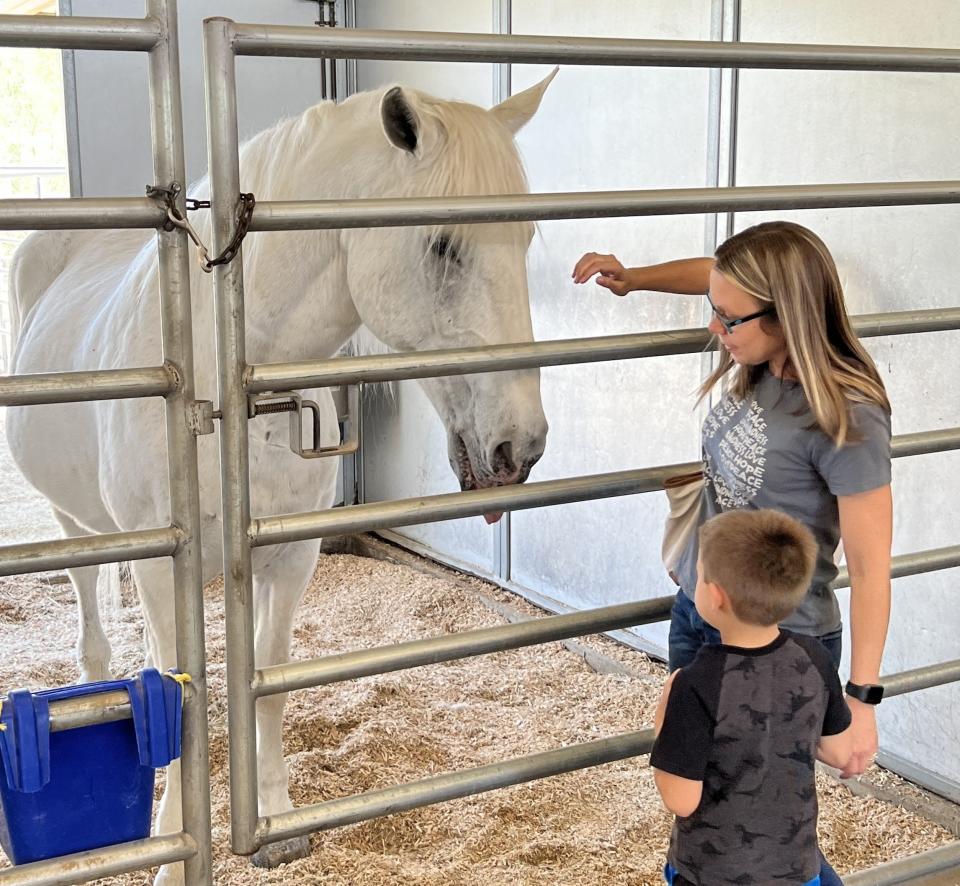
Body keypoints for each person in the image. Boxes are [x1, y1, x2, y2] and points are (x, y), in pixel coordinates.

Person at [573, 222, 892, 885]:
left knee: (760, 824)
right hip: (705, 613)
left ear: (789, 314)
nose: (715, 327)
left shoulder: (844, 416)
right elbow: (716, 275)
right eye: (713, 309)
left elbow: (870, 566)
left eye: (730, 319)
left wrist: (861, 698)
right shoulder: (755, 348)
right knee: (720, 818)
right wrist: (636, 278)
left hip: (785, 641)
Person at [651, 508, 853, 886]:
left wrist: (664, 721)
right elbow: (839, 752)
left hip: (712, 872)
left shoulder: (696, 683)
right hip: (796, 868)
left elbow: (680, 799)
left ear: (714, 595)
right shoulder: (814, 658)